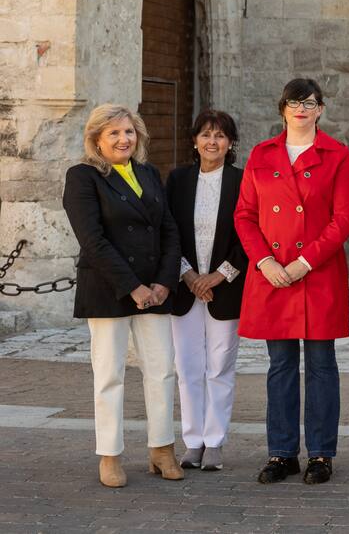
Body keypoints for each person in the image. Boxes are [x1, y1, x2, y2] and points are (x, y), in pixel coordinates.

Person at [235, 78, 349, 486]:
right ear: (282, 108)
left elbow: (344, 218)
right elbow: (245, 215)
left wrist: (306, 262)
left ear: (320, 109)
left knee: (321, 365)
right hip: (273, 275)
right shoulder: (261, 154)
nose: (301, 109)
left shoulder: (337, 154)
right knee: (281, 365)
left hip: (317, 273)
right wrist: (264, 260)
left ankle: (321, 453)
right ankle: (282, 452)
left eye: (309, 102)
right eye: (294, 102)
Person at [62, 104, 183, 488]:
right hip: (109, 289)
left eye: (128, 131)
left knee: (162, 370)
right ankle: (110, 455)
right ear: (96, 139)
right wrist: (133, 286)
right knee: (109, 374)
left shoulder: (148, 173)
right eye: (113, 133)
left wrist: (164, 282)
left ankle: (162, 449)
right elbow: (92, 240)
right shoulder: (82, 177)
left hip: (155, 290)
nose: (123, 139)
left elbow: (169, 230)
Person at [167, 109, 247, 473]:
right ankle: (192, 441)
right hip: (185, 288)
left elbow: (248, 235)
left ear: (230, 143)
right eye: (205, 134)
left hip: (224, 289)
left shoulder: (241, 181)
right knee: (188, 367)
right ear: (194, 140)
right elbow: (168, 231)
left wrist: (217, 276)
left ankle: (214, 441)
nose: (212, 141)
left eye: (220, 135)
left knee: (219, 366)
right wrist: (188, 275)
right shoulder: (178, 180)